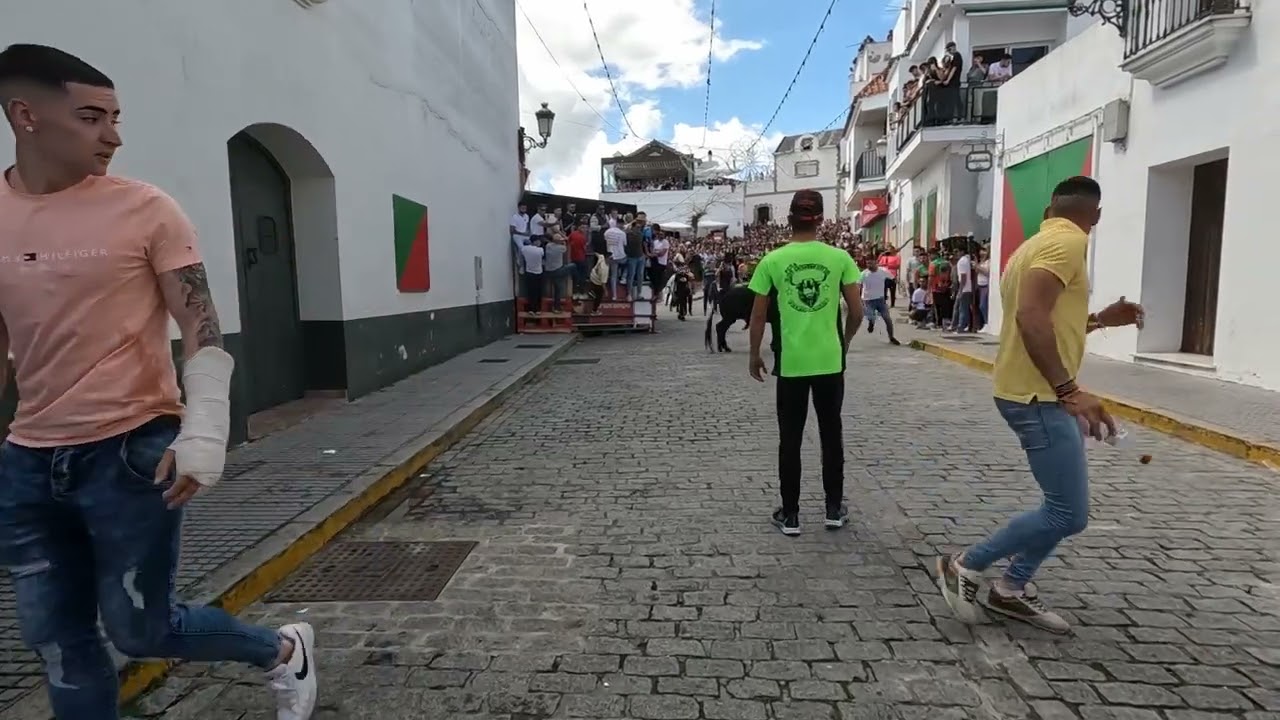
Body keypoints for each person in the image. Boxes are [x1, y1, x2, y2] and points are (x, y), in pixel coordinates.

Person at [0, 44, 317, 720]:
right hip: (26, 463)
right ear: (25, 116)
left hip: (130, 451)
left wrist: (204, 428)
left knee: (143, 629)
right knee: (55, 638)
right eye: (91, 118)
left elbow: (202, 325)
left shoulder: (146, 209)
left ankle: (282, 651)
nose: (113, 135)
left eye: (115, 117)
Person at [935, 176, 1144, 634]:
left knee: (1064, 507)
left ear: (1049, 210)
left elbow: (1046, 318)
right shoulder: (1068, 245)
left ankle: (1011, 590)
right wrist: (1069, 390)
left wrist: (1099, 320)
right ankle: (967, 564)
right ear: (1097, 215)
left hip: (1028, 391)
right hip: (1039, 397)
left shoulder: (1030, 247)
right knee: (1068, 512)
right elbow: (1031, 317)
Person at [747, 190, 863, 536]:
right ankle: (832, 509)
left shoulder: (772, 260)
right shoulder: (840, 258)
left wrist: (754, 354)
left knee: (790, 438)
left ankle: (792, 513)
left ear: (789, 220)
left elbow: (757, 315)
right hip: (829, 361)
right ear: (822, 220)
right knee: (831, 435)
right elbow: (856, 312)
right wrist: (845, 341)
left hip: (792, 363)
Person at [860, 257, 901, 346]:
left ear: (876, 263)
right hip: (868, 300)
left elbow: (892, 278)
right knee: (871, 316)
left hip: (880, 300)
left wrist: (894, 284)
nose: (869, 266)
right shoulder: (864, 274)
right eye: (867, 264)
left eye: (871, 263)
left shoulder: (883, 271)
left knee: (888, 319)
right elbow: (858, 285)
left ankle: (891, 337)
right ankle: (871, 323)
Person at [520, 238, 546, 313]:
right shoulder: (540, 250)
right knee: (538, 291)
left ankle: (531, 309)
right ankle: (538, 309)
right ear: (536, 241)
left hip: (529, 272)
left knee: (531, 291)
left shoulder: (524, 249)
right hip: (539, 272)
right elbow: (543, 257)